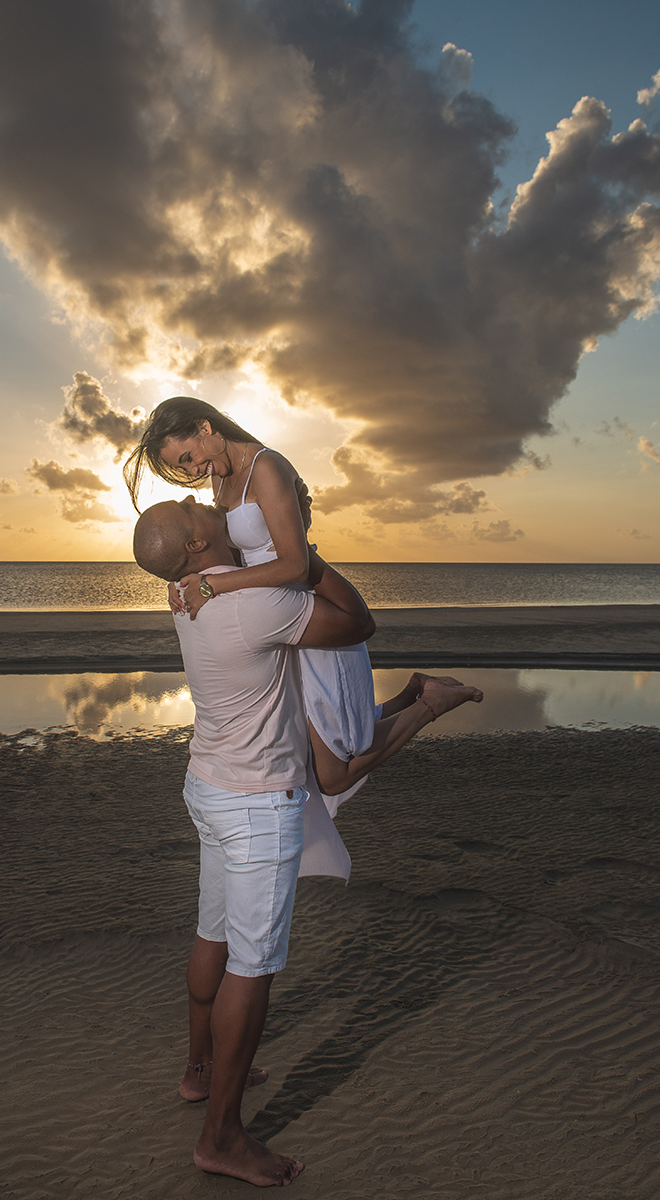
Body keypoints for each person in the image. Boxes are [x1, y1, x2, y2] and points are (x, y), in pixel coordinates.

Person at [132, 493, 483, 1187]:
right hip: (258, 806)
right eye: (190, 507)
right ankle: (221, 1138)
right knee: (252, 967)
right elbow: (355, 622)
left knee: (213, 934)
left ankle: (198, 1072)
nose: (199, 498)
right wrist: (302, 553)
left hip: (208, 785)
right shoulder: (250, 605)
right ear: (198, 548)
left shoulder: (183, 595)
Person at [124, 397, 420, 877]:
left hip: (299, 608)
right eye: (183, 467)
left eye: (187, 456)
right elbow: (215, 550)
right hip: (271, 619)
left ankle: (426, 702)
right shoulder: (221, 477)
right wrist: (181, 584)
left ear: (204, 426)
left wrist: (212, 585)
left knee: (333, 751)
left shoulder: (267, 466)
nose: (193, 470)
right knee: (310, 742)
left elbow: (296, 565)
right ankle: (415, 695)